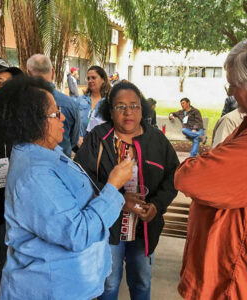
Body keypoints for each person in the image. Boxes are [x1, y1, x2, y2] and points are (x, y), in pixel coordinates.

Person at [0, 75, 134, 300]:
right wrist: (113, 186)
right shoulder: (34, 176)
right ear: (32, 121)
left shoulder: (48, 153)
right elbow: (77, 233)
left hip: (71, 287)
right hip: (50, 290)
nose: (64, 117)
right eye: (55, 113)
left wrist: (115, 196)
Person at [175, 32, 247, 300]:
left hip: (237, 285)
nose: (230, 94)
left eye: (233, 86)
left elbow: (190, 179)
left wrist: (195, 163)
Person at [75, 81, 179, 300]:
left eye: (134, 105)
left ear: (142, 109)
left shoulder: (156, 139)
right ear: (110, 112)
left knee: (142, 281)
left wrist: (157, 206)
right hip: (109, 227)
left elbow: (173, 176)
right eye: (120, 106)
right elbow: (81, 178)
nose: (128, 112)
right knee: (109, 283)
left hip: (144, 228)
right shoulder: (98, 138)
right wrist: (119, 199)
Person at [0, 57, 22, 300]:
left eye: (8, 85)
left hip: (7, 215)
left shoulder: (16, 121)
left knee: (3, 272)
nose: (4, 90)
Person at [27, 54, 80, 158]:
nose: (61, 118)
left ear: (28, 73)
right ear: (53, 72)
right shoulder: (70, 104)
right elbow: (74, 140)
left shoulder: (18, 103)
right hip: (62, 164)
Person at [76, 66, 111, 147]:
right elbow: (73, 122)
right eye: (88, 78)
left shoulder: (109, 100)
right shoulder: (80, 99)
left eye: (93, 78)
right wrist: (77, 138)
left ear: (103, 79)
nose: (90, 81)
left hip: (102, 146)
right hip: (81, 146)